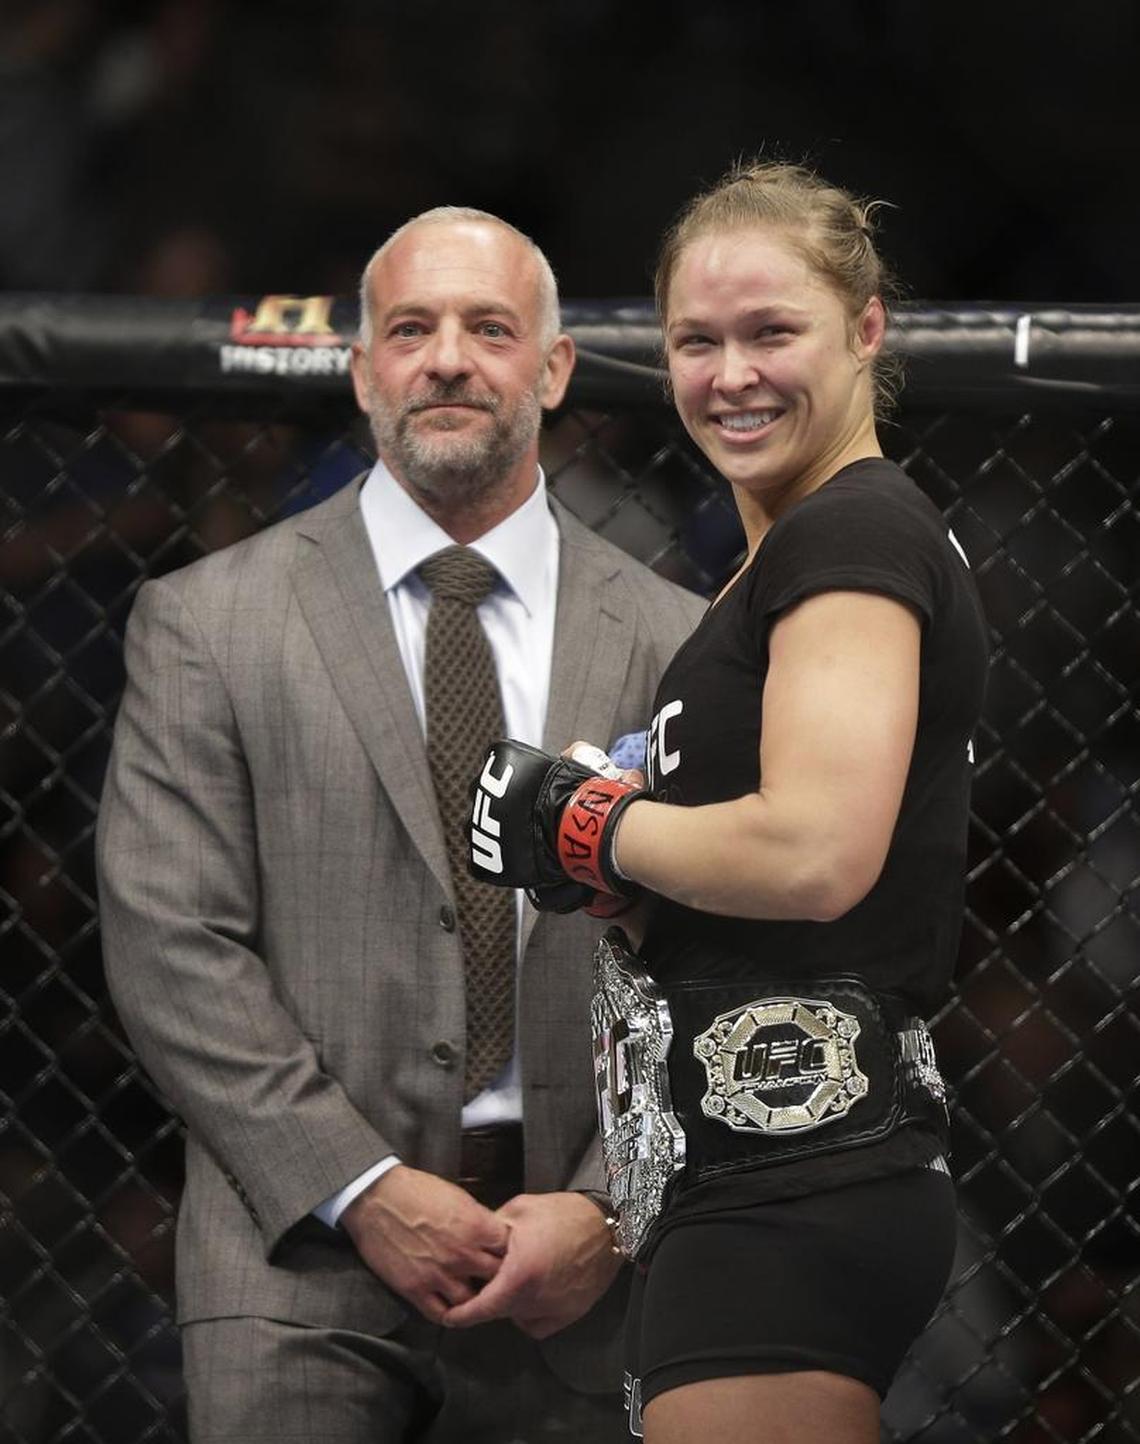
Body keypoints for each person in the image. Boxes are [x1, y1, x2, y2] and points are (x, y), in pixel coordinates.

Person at [96, 206, 703, 1443]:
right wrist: (361, 1187)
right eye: (411, 328)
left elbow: (718, 963)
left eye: (489, 328)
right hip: (298, 1260)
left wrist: (613, 1207)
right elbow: (171, 944)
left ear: (554, 367)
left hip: (588, 1274)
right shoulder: (205, 621)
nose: (447, 359)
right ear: (364, 366)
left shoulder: (674, 637)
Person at [468, 162, 990, 1443]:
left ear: (866, 330)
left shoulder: (849, 536)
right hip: (750, 1179)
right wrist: (622, 864)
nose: (730, 374)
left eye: (773, 332)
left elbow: (815, 852)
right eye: (697, 341)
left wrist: (584, 822)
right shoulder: (783, 558)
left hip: (796, 1178)